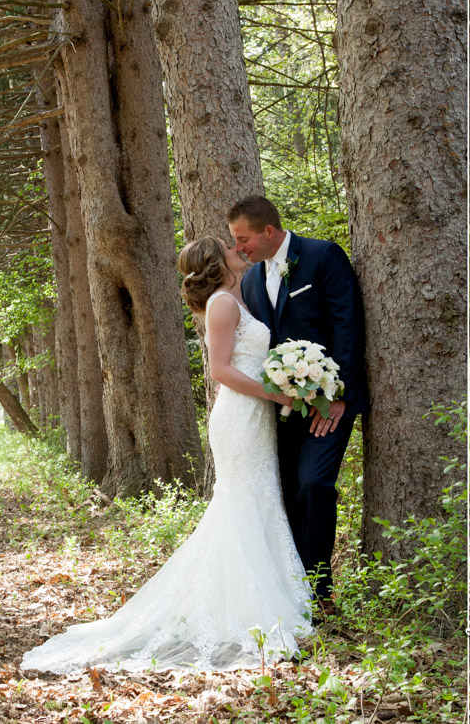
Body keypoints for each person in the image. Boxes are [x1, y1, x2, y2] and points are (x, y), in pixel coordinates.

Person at [22, 235, 311, 673]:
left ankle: (256, 601)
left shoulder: (239, 297)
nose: (240, 249)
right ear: (218, 261)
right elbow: (219, 369)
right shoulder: (223, 304)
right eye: (231, 247)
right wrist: (278, 395)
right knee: (243, 503)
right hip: (240, 417)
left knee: (260, 498)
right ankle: (248, 612)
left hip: (254, 417)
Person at [228, 195, 367, 608]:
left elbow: (348, 325)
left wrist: (338, 395)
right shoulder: (251, 281)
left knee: (315, 485)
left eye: (243, 238)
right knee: (285, 493)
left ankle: (321, 592)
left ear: (268, 231)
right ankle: (293, 594)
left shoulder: (323, 256)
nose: (239, 248)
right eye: (235, 241)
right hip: (279, 409)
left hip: (330, 403)